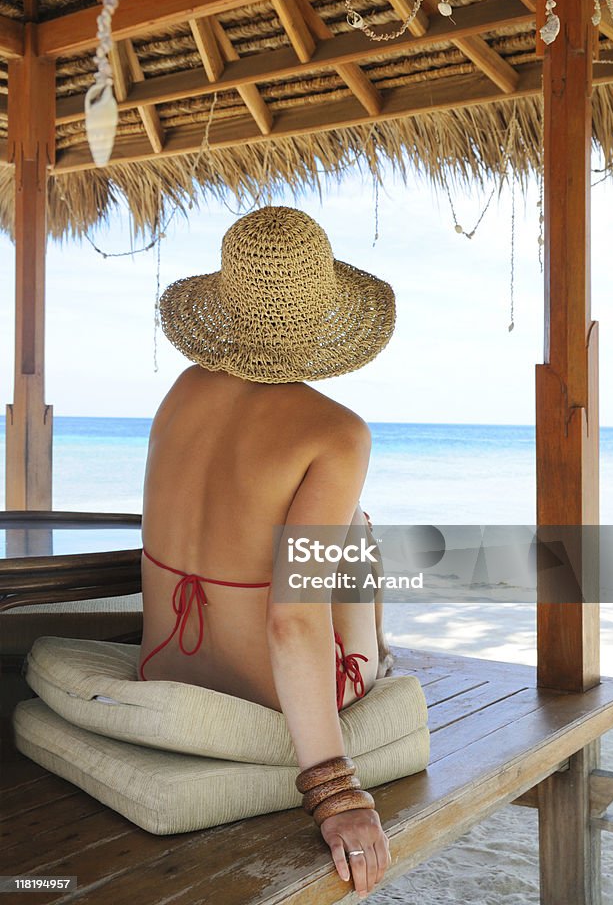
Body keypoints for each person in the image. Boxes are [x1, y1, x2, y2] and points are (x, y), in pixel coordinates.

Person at [138, 206, 396, 897]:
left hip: (164, 661)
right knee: (359, 527)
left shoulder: (182, 390)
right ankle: (382, 650)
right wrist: (336, 795)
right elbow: (292, 621)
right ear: (324, 318)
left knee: (340, 524)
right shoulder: (335, 433)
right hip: (264, 690)